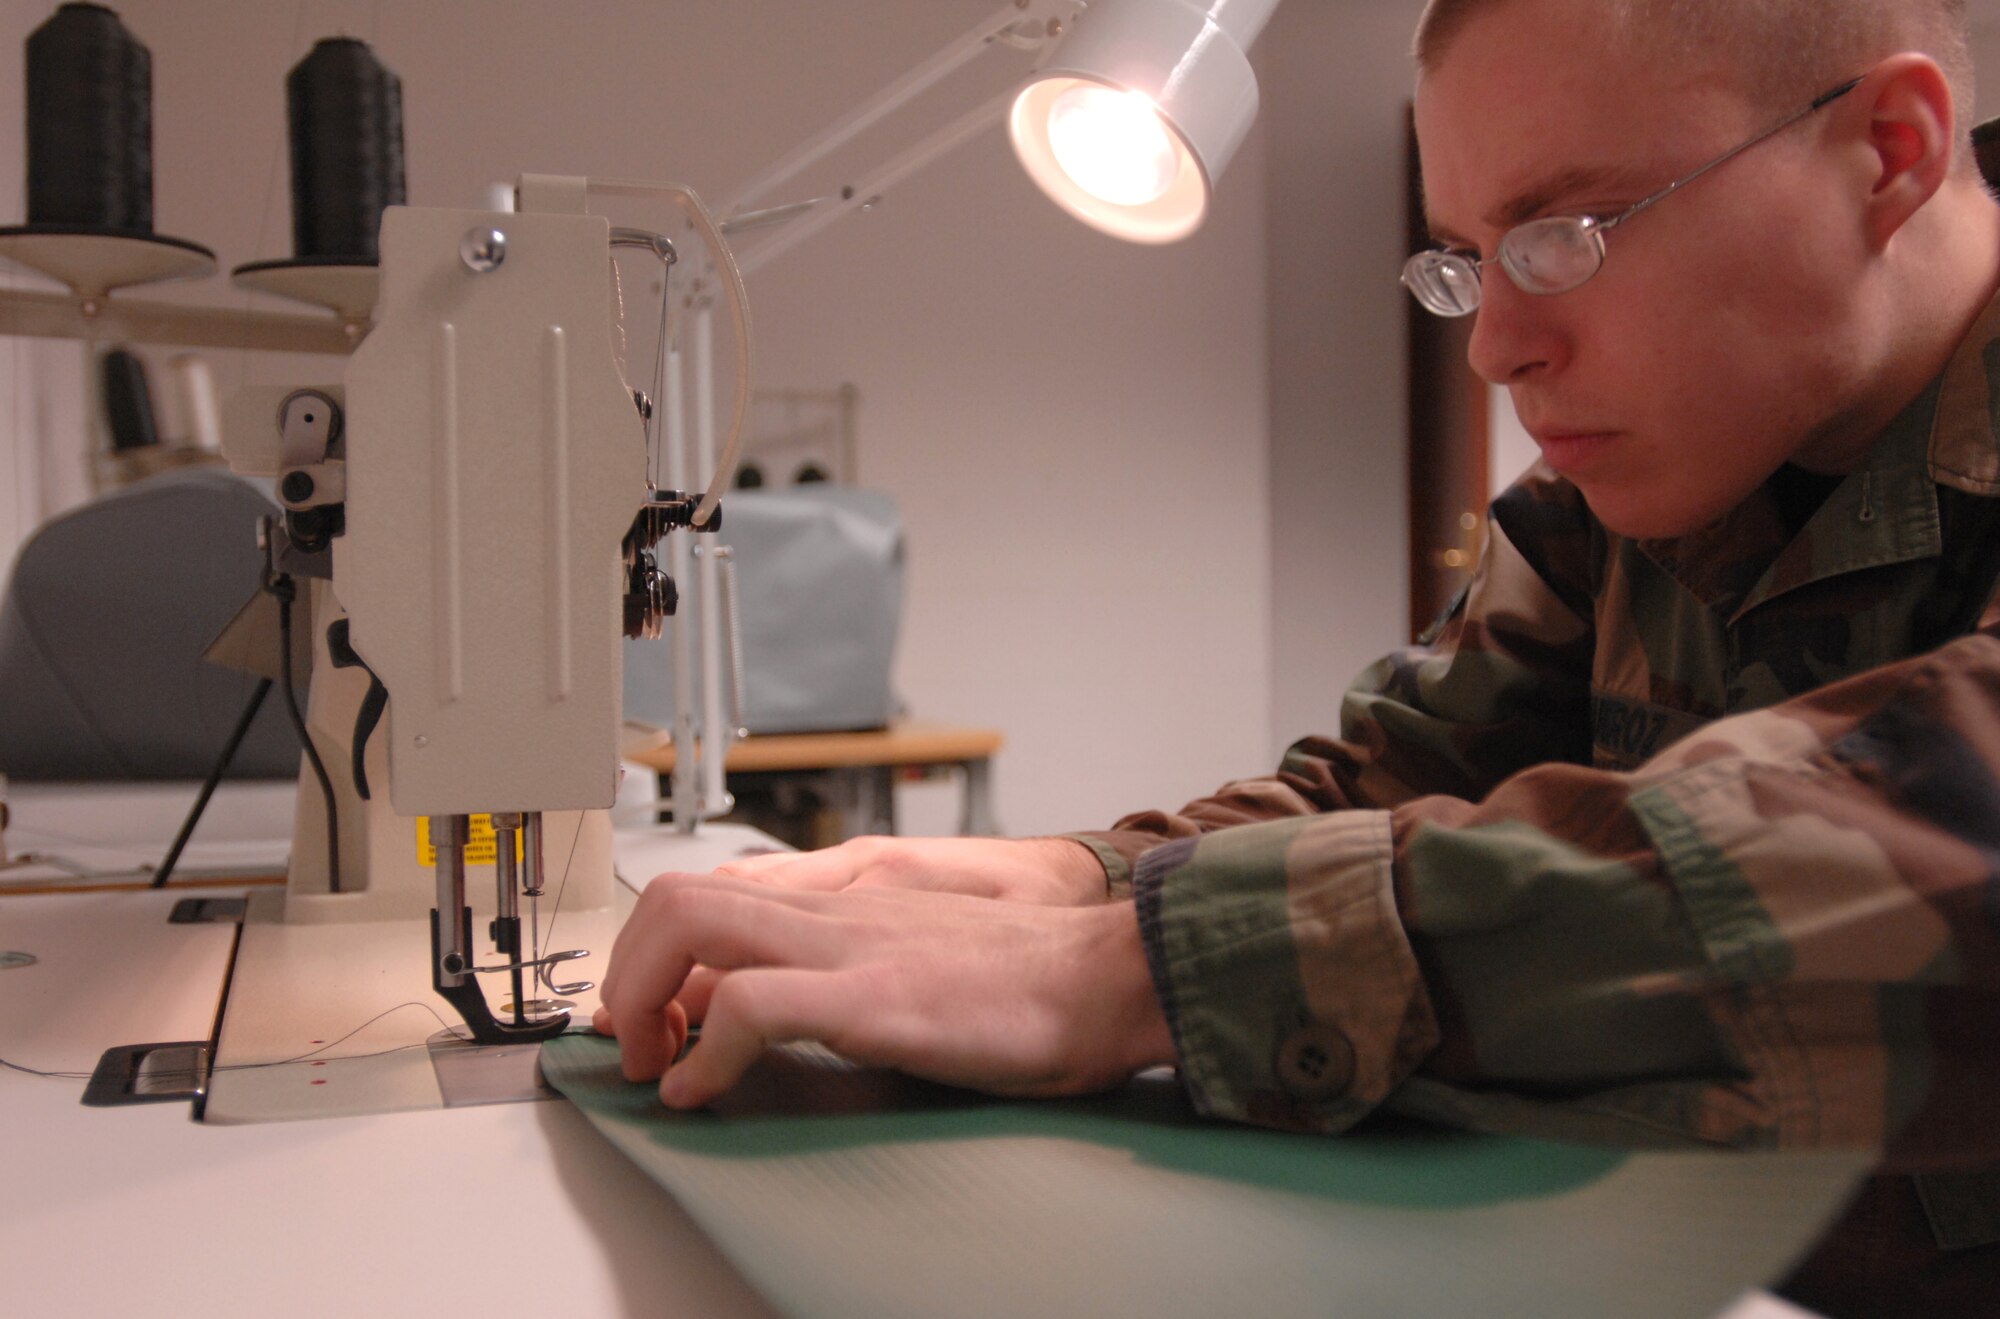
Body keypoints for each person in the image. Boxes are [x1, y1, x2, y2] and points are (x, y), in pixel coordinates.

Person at [598, 0, 2000, 1311]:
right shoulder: (1667, 469)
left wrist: (1111, 975)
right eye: (1467, 260)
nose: (1497, 348)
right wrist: (1064, 879)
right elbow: (1402, 770)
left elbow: (1925, 842)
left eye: (1565, 232)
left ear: (1890, 153)